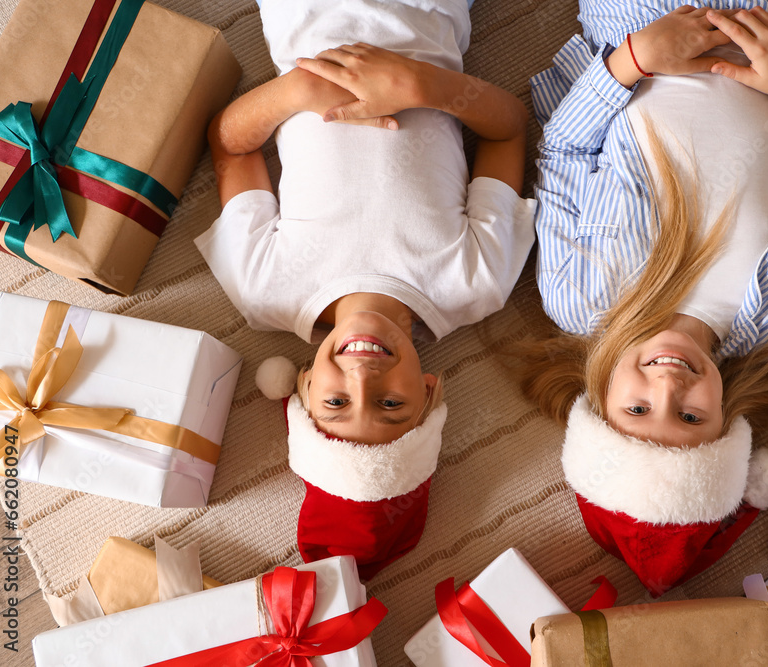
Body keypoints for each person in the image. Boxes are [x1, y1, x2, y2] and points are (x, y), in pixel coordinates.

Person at [520, 2, 768, 595]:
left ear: (599, 399)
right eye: (690, 417)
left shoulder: (579, 297)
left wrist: (634, 57)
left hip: (636, 25)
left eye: (638, 411)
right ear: (725, 422)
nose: (667, 387)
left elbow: (563, 152)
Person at [195, 0, 535, 578]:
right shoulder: (475, 283)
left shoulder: (264, 289)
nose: (362, 378)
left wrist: (297, 92)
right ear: (430, 393)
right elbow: (508, 128)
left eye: (335, 404)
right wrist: (422, 83)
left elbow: (230, 144)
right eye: (391, 406)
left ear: (301, 388)